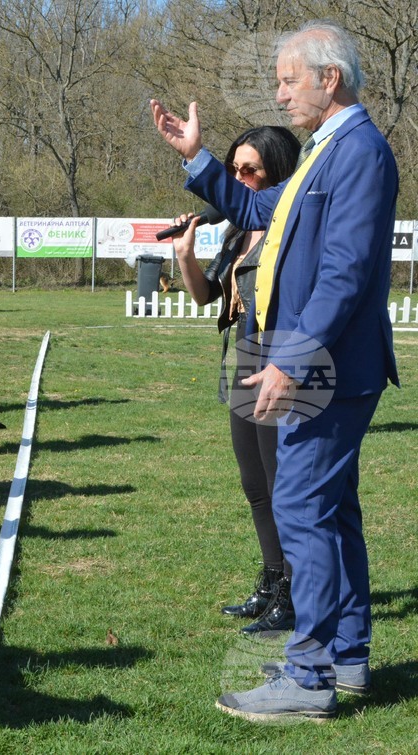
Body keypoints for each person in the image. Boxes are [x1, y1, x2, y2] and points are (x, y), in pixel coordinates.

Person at [152, 20, 398, 721]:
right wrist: (199, 159)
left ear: (330, 79)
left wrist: (292, 358)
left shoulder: (359, 152)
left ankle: (310, 671)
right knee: (333, 510)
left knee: (301, 508)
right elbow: (264, 210)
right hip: (323, 363)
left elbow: (345, 273)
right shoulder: (327, 150)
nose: (279, 92)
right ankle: (346, 656)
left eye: (290, 79)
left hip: (323, 365)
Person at [171, 126, 300, 635]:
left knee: (281, 485)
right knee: (255, 485)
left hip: (280, 360)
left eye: (252, 170)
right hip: (243, 360)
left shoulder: (289, 224)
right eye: (234, 170)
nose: (240, 178)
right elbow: (207, 297)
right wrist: (185, 256)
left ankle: (292, 592)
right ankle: (271, 582)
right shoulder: (236, 227)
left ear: (278, 175)